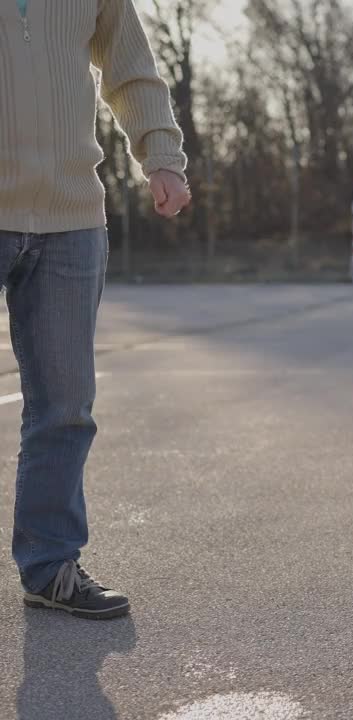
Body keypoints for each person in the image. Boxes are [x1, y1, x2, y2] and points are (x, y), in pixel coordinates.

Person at [1, 0, 191, 619]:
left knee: (65, 407)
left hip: (71, 219)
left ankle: (51, 567)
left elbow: (131, 68)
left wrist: (160, 155)